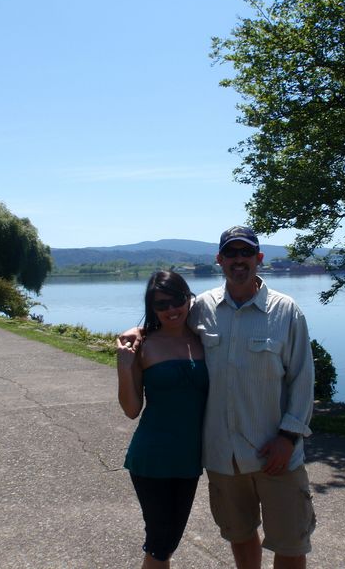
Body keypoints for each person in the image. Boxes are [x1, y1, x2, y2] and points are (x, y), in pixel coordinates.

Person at [121, 226, 316, 569]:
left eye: (245, 254)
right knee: (240, 537)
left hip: (275, 453)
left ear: (258, 259)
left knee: (289, 543)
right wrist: (136, 332)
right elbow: (167, 318)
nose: (238, 261)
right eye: (231, 254)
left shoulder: (286, 312)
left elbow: (303, 380)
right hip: (224, 458)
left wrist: (288, 437)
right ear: (220, 260)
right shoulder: (203, 308)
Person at [116, 271, 209, 569]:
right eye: (161, 304)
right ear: (151, 309)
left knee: (167, 543)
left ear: (188, 298)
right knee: (160, 543)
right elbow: (131, 409)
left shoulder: (205, 339)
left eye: (178, 300)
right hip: (152, 458)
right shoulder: (143, 346)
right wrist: (123, 367)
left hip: (189, 459)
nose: (171, 309)